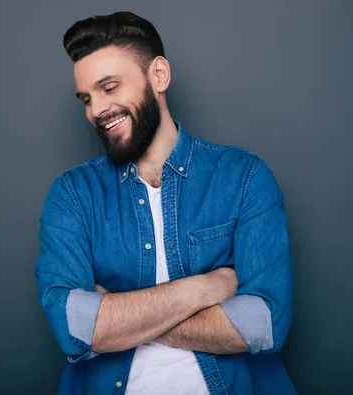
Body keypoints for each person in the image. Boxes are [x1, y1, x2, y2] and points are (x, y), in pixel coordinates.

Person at [34, 11, 296, 395]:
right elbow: (73, 328)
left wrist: (117, 316)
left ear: (158, 76)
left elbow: (263, 325)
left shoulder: (244, 178)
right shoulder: (72, 195)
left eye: (110, 87)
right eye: (86, 99)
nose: (96, 111)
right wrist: (203, 289)